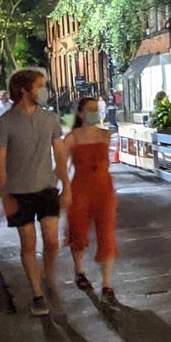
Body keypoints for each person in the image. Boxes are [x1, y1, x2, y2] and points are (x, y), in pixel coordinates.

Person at [0, 69, 71, 316]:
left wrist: (67, 186)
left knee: (51, 242)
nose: (44, 91)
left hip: (46, 189)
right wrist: (4, 196)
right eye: (40, 86)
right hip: (18, 193)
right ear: (25, 90)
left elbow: (59, 153)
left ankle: (47, 275)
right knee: (28, 244)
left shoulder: (50, 119)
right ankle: (37, 294)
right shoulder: (4, 124)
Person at [63, 98, 118, 304]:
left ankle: (107, 283)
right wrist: (65, 190)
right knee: (78, 230)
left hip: (104, 189)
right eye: (90, 109)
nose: (95, 113)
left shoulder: (106, 135)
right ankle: (79, 270)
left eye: (97, 109)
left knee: (106, 234)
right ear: (80, 113)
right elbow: (63, 167)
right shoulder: (71, 138)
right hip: (80, 189)